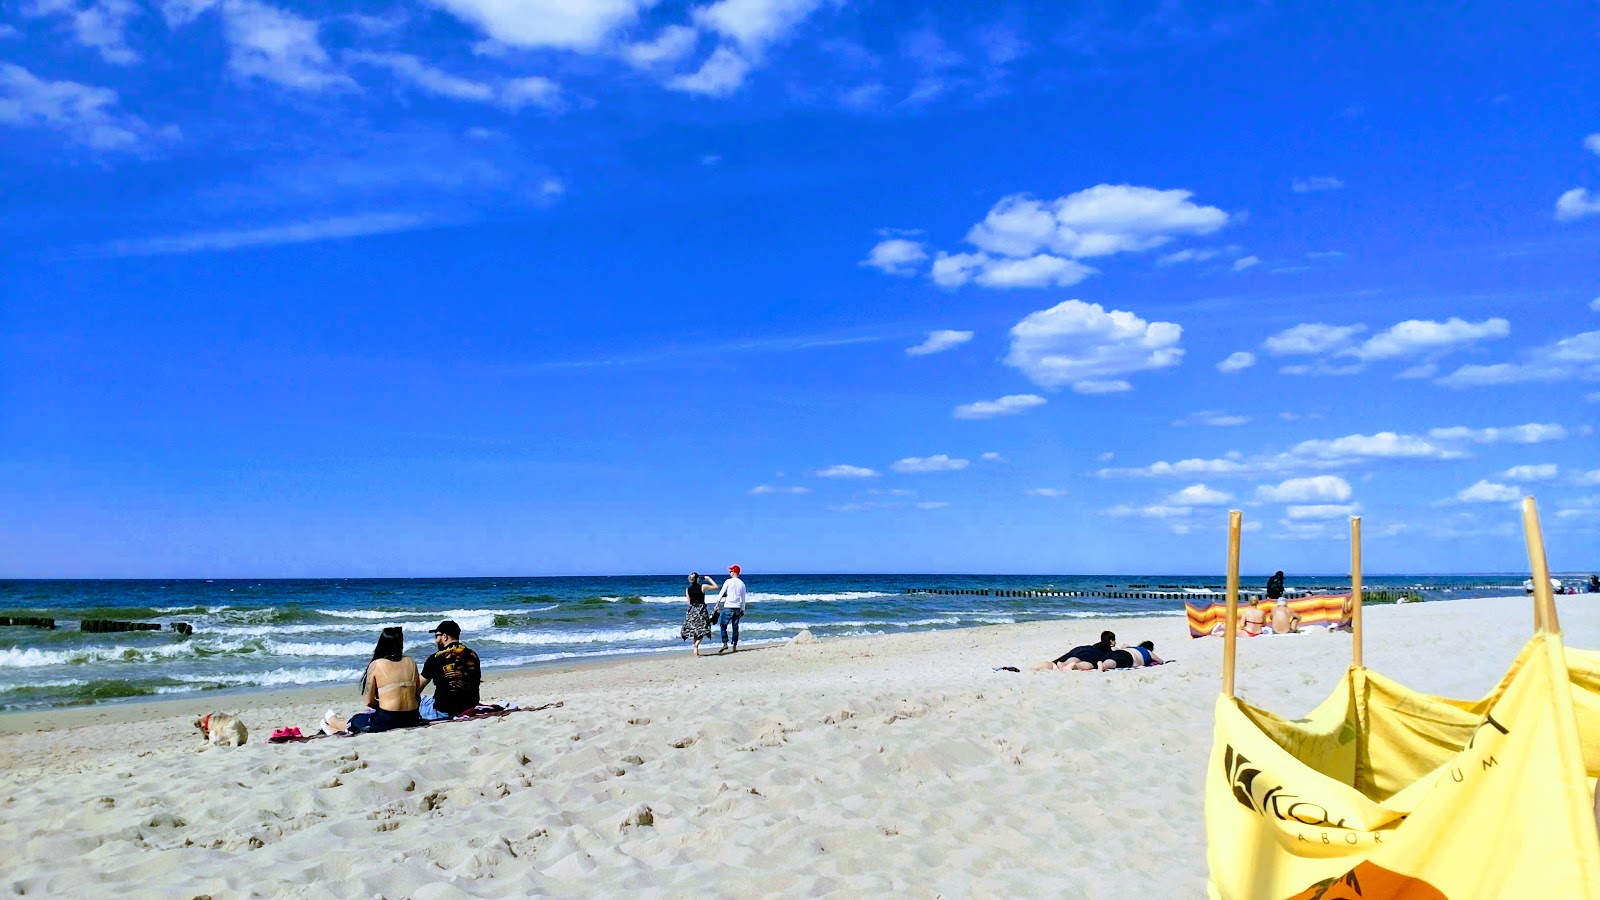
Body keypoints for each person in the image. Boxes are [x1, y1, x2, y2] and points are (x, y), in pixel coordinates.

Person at [323, 627, 423, 734]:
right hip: (412, 718)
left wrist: (383, 705)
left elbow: (368, 701)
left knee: (356, 720)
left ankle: (332, 722)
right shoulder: (411, 662)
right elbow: (417, 695)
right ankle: (331, 729)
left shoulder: (376, 664)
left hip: (389, 719)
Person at [419, 619, 481, 721]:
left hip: (444, 711)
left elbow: (418, 687)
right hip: (470, 707)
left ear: (445, 636)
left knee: (422, 700)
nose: (435, 641)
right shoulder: (473, 655)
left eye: (436, 636)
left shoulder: (435, 658)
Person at [1032, 631, 1116, 671]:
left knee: (1053, 664)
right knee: (1074, 660)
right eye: (1114, 640)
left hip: (1082, 648)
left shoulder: (1096, 644)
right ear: (1111, 641)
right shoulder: (1107, 649)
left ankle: (1030, 669)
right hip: (1093, 653)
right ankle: (1063, 665)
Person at [681, 572, 719, 656]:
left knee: (695, 630)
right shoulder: (702, 586)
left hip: (692, 610)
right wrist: (708, 579)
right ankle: (696, 645)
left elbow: (689, 602)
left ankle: (695, 650)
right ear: (697, 579)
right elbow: (716, 587)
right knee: (703, 629)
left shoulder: (687, 589)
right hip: (701, 610)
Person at [716, 564, 747, 653]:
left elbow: (721, 592)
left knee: (723, 625)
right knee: (735, 627)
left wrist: (717, 603)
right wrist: (743, 609)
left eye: (731, 571)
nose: (730, 572)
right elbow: (743, 598)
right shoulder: (742, 584)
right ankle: (734, 647)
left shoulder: (728, 581)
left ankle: (725, 643)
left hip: (728, 606)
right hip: (737, 607)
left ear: (734, 572)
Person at [1100, 640, 1165, 670]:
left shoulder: (1133, 648)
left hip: (1120, 651)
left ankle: (1098, 663)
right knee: (1115, 662)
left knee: (1112, 657)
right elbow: (1160, 661)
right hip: (1129, 657)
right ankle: (1104, 665)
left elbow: (1123, 646)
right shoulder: (1148, 651)